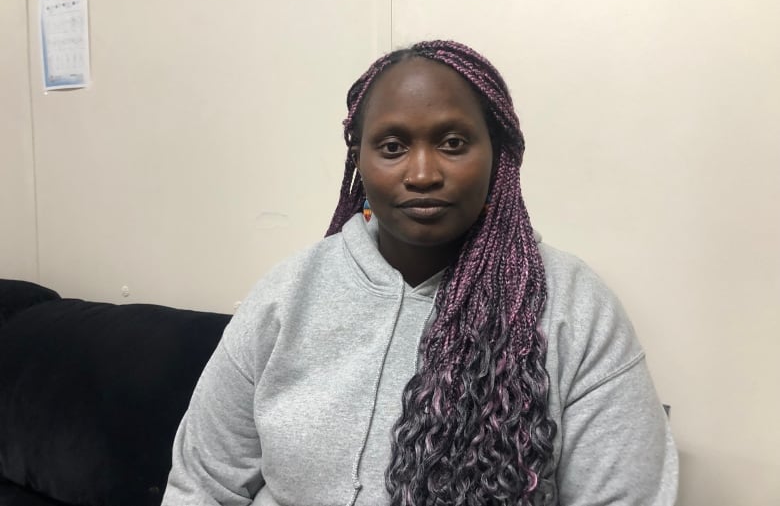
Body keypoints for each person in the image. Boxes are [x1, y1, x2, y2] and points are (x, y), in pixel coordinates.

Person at [162, 40, 678, 506]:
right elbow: (202, 483)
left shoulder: (576, 310)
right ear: (358, 161)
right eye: (392, 147)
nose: (423, 173)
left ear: (498, 156)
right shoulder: (286, 293)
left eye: (453, 143)